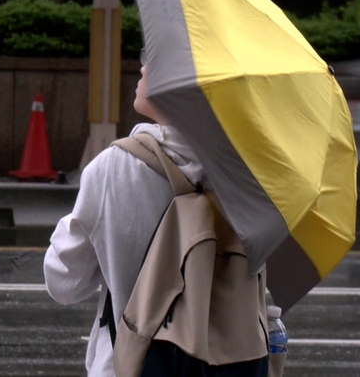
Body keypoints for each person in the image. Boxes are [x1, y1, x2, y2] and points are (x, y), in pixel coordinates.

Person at [43, 55, 269, 376]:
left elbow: (64, 284)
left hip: (127, 365)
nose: (143, 66)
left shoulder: (111, 169)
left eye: (153, 58)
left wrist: (81, 216)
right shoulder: (249, 179)